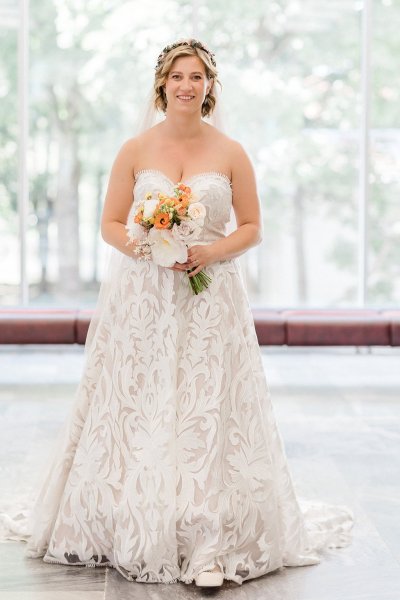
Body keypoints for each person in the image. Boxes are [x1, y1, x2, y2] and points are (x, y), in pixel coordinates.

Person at [1, 38, 354, 589]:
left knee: (206, 403)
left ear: (210, 86)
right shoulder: (135, 149)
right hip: (144, 296)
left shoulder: (231, 151)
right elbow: (112, 224)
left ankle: (207, 539)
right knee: (142, 399)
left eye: (196, 76)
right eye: (176, 76)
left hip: (211, 297)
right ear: (161, 84)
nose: (186, 85)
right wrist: (151, 247)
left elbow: (252, 226)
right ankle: (127, 519)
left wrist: (211, 251)